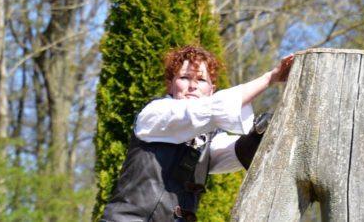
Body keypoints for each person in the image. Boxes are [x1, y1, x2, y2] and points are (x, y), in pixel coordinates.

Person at [100, 44, 295, 222]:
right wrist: (271, 77)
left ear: (211, 89)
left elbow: (232, 152)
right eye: (184, 77)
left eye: (201, 80)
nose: (192, 85)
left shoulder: (208, 137)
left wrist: (258, 136)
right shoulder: (155, 114)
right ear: (170, 85)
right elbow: (213, 109)